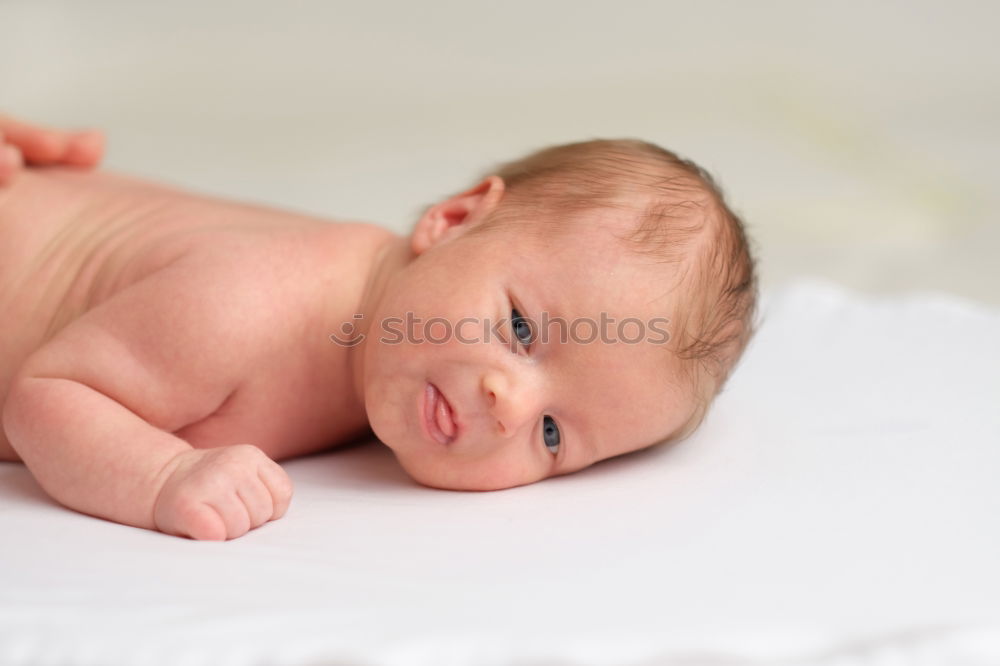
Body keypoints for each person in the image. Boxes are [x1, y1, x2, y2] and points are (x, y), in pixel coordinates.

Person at [0, 113, 757, 541]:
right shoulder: (250, 306)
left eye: (554, 436)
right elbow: (46, 394)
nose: (510, 405)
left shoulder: (392, 346)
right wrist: (162, 475)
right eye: (522, 330)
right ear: (453, 220)